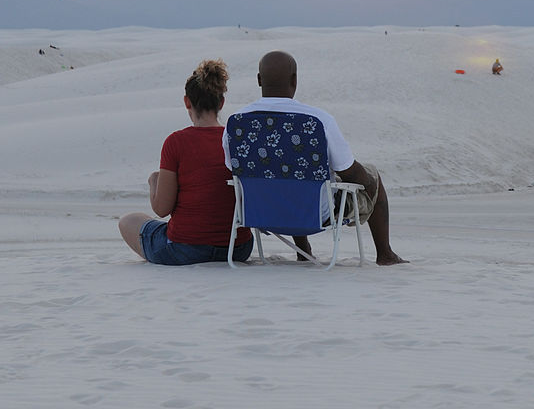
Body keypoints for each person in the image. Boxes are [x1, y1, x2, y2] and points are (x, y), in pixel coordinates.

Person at [227, 51, 405, 265]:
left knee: (282, 175)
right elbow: (348, 170)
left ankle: (303, 250)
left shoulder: (236, 123)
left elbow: (234, 170)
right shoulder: (318, 120)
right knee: (370, 173)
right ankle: (385, 254)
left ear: (258, 80)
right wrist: (369, 184)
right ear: (294, 80)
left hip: (260, 213)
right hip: (314, 213)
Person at [118, 59, 254, 265]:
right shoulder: (237, 140)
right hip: (238, 249)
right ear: (221, 103)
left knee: (128, 221)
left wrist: (154, 181)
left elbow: (161, 208)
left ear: (187, 102)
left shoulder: (177, 142)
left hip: (186, 249)